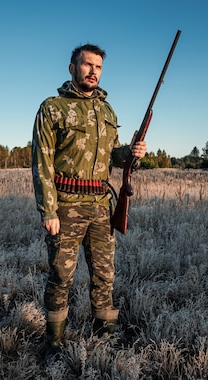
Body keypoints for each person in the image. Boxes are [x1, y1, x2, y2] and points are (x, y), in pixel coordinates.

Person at [31, 43, 147, 358]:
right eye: (87, 65)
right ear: (72, 68)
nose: (93, 71)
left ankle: (103, 342)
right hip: (66, 207)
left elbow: (115, 156)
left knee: (104, 276)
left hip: (101, 206)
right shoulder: (52, 107)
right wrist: (49, 210)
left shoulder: (108, 111)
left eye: (98, 67)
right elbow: (42, 163)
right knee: (61, 276)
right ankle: (54, 344)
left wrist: (132, 153)